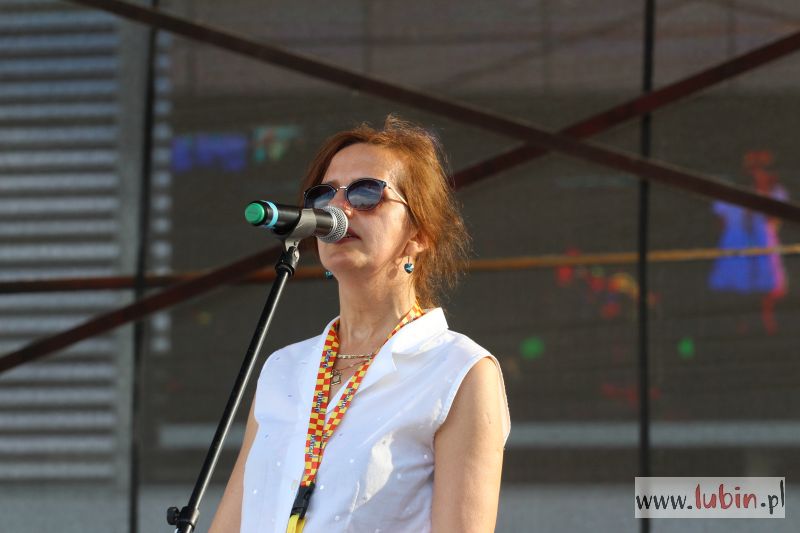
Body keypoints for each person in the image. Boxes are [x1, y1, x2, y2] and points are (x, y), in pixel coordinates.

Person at [210, 116, 511, 533]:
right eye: (323, 195)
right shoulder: (283, 369)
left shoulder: (460, 371)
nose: (338, 208)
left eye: (366, 193)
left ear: (420, 234)